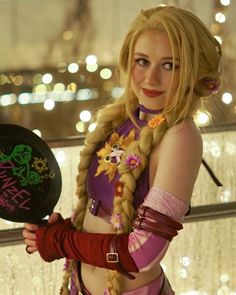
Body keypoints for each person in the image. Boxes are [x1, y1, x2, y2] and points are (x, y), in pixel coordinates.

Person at [22, 5, 222, 295]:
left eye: (170, 65)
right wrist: (55, 231)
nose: (150, 78)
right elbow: (107, 214)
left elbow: (142, 253)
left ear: (193, 71)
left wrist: (62, 241)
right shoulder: (124, 120)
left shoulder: (180, 136)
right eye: (142, 61)